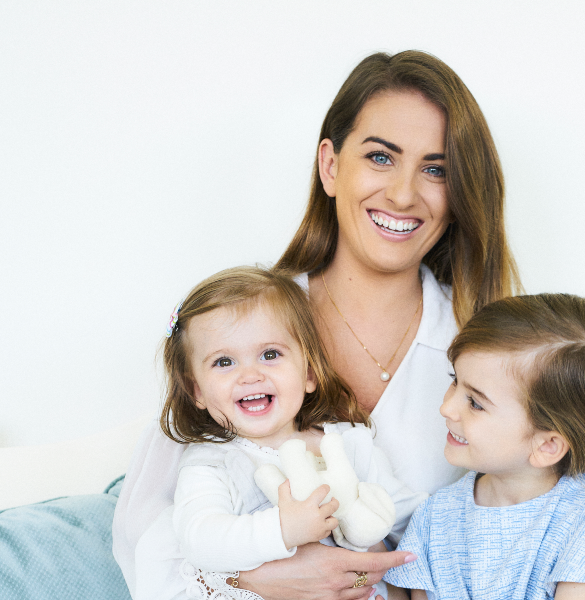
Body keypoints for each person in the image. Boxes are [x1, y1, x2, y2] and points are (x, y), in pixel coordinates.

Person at [112, 49, 521, 600]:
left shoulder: (482, 354)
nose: (403, 194)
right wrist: (256, 577)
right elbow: (143, 536)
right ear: (330, 165)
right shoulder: (239, 331)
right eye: (380, 158)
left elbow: (519, 525)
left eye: (435, 169)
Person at [132, 266, 428, 600]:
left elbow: (411, 519)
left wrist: (420, 583)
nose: (249, 375)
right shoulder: (213, 463)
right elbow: (200, 538)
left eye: (270, 354)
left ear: (309, 374)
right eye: (224, 362)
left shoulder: (349, 443)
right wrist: (282, 529)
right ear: (196, 390)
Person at [384, 294, 585, 600]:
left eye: (475, 403)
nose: (447, 407)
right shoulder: (434, 518)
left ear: (548, 446)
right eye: (454, 380)